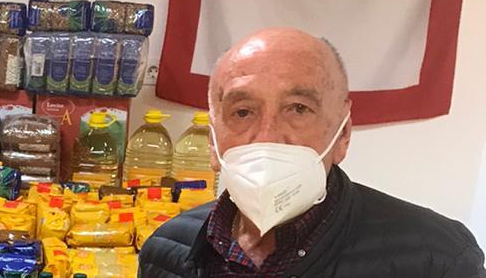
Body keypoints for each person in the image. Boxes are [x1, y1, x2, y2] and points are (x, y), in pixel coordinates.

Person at [140, 27, 485, 277]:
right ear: (212, 144)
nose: (268, 136)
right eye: (243, 112)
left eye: (298, 108)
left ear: (343, 134)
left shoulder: (436, 260)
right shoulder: (166, 250)